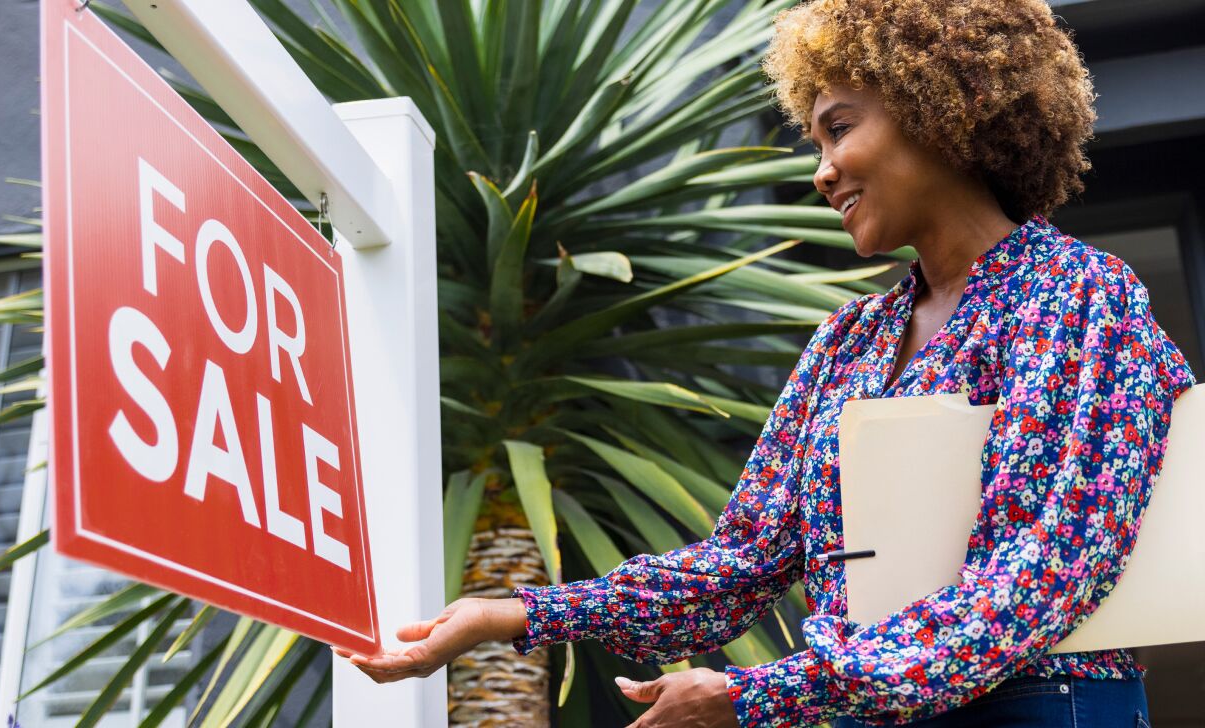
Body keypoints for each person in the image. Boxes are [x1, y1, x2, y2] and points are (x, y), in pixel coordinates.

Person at [339, 1, 1197, 726]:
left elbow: (1040, 574)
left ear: (948, 106)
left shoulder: (1078, 297)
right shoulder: (848, 343)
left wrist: (756, 694)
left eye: (839, 129)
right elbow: (745, 559)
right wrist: (517, 612)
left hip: (1038, 705)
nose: (822, 172)